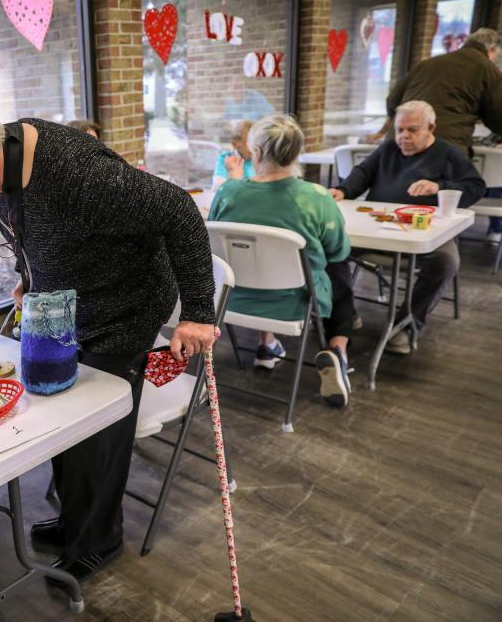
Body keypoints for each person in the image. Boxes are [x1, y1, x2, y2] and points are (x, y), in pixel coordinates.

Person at [0, 89, 216, 584]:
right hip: (68, 308)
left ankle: (97, 540)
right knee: (61, 415)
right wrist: (31, 278)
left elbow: (179, 211)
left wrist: (198, 311)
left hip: (124, 307)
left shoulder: (78, 174)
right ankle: (76, 519)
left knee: (98, 430)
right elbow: (30, 228)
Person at [209, 115, 354, 407]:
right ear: (296, 153)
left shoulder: (227, 192)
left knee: (256, 260)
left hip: (230, 300)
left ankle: (266, 346)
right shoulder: (316, 197)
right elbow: (338, 250)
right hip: (292, 304)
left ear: (257, 153)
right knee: (337, 269)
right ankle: (337, 349)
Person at [330, 101, 486, 354]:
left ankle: (407, 324)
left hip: (426, 230)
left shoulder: (448, 153)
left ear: (431, 127)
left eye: (412, 130)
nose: (404, 136)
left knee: (446, 261)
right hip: (377, 227)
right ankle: (343, 315)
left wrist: (440, 187)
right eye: (399, 130)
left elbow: (476, 187)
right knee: (329, 246)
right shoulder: (389, 148)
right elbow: (363, 172)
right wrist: (344, 190)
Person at [382, 29, 502, 154]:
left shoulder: (428, 63)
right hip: (444, 147)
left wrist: (406, 127)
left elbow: (392, 102)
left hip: (398, 147)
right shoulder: (486, 68)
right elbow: (498, 114)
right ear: (491, 50)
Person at [212, 120, 256, 189]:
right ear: (235, 144)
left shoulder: (258, 159)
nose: (254, 149)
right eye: (249, 143)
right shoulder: (225, 159)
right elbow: (216, 186)